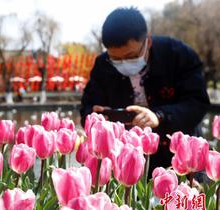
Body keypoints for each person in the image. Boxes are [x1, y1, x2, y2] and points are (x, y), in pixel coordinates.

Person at [80, 7, 210, 174]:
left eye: (131, 56)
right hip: (128, 161)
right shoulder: (102, 65)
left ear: (147, 42)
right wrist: (97, 118)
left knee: (184, 199)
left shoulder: (178, 55)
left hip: (182, 157)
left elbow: (198, 103)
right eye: (116, 59)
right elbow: (87, 108)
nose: (124, 63)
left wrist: (159, 116)